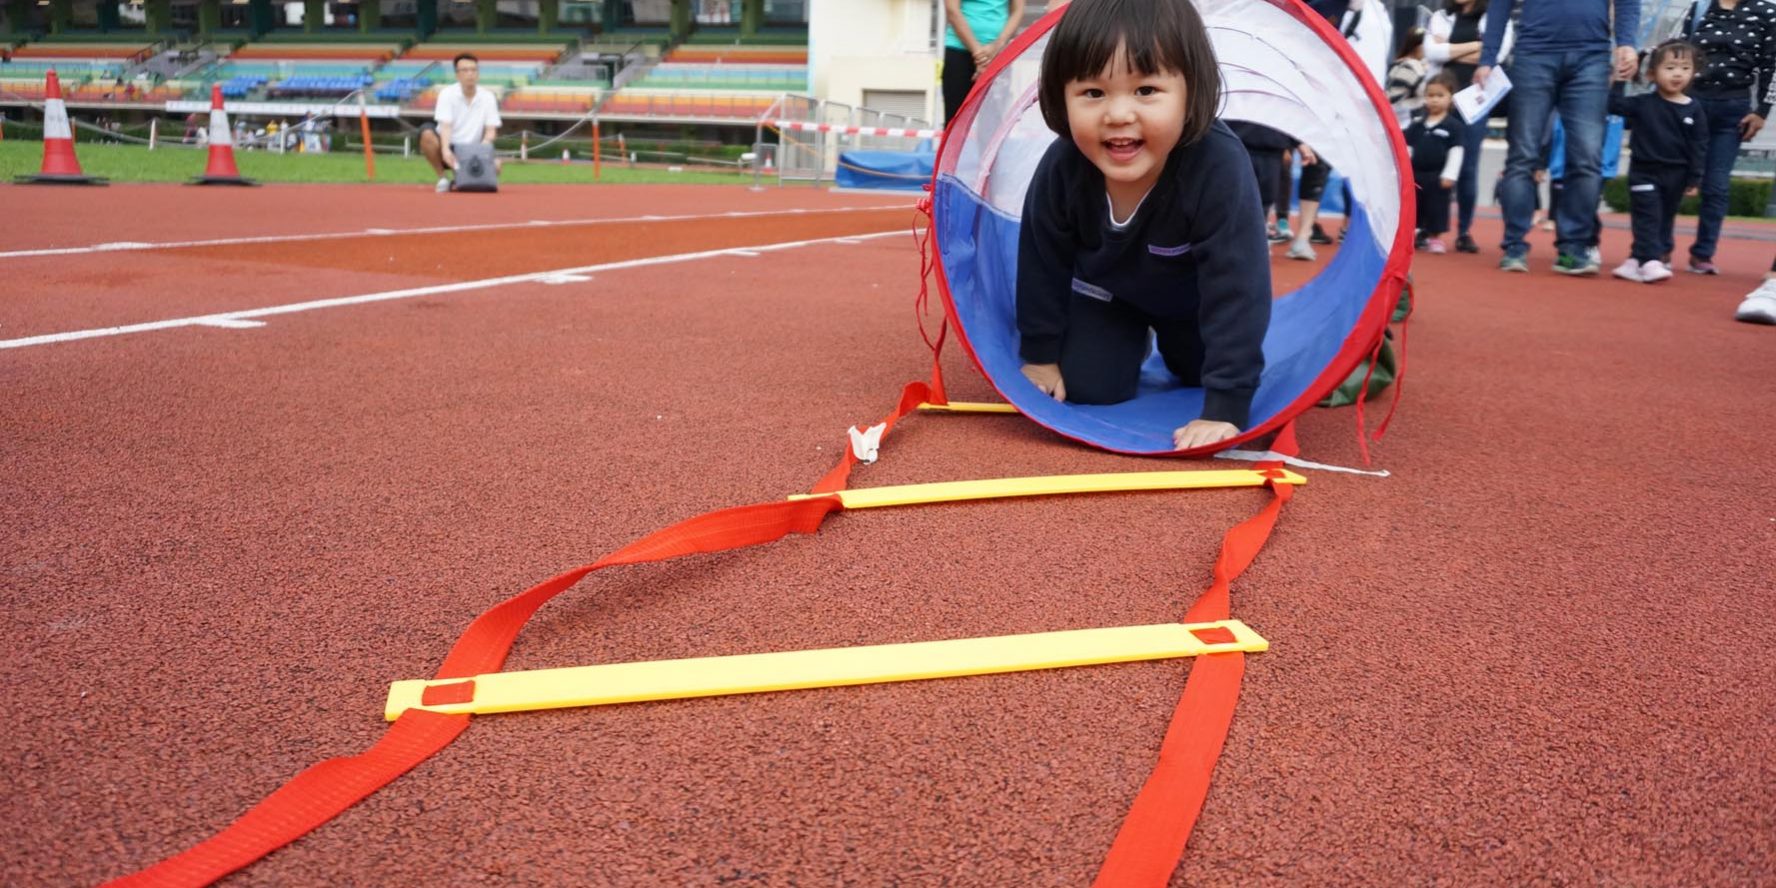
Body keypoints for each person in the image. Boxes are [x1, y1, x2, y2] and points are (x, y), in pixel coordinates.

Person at [1016, 0, 1271, 450]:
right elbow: (1042, 259)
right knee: (1088, 388)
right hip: (1106, 295)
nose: (1118, 114)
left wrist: (1227, 407)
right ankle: (1132, 340)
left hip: (1192, 304)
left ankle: (1172, 343)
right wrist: (1038, 355)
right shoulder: (1064, 165)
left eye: (1146, 90)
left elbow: (1238, 284)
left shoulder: (1217, 166)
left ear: (1192, 92)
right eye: (1093, 93)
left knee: (1195, 371)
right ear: (1061, 97)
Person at [1478, 0, 1641, 274]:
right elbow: (1500, 5)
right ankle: (1514, 246)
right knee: (1522, 156)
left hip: (1592, 56)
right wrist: (1487, 58)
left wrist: (1626, 42)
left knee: (1587, 157)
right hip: (1534, 53)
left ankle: (1573, 248)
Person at [1681, 0, 1776, 275]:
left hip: (1732, 108)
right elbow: (1677, 50)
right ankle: (1656, 247)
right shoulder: (1700, 7)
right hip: (1690, 103)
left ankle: (1703, 253)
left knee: (1716, 185)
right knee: (1672, 176)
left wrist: (1762, 111)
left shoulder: (1766, 12)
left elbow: (1773, 65)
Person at [1608, 41, 1708, 282]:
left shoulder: (1694, 109)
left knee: (1664, 217)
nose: (1677, 74)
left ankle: (1635, 260)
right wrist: (1619, 80)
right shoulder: (1643, 103)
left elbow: (1699, 145)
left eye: (1685, 68)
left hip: (1677, 174)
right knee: (1647, 214)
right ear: (1652, 73)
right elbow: (1614, 105)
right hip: (1644, 170)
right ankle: (1651, 260)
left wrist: (1695, 177)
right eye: (1670, 67)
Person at [1427, 0, 1515, 252]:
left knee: (1468, 167)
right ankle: (1429, 228)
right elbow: (1432, 52)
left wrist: (1450, 48)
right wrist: (1479, 46)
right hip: (1441, 101)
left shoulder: (1497, 17)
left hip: (1475, 102)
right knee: (1431, 164)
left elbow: (1495, 54)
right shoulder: (1440, 17)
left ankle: (1464, 230)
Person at [420, 53, 503, 193]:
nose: (470, 74)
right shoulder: (447, 94)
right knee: (426, 133)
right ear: (457, 75)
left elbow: (491, 131)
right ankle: (443, 178)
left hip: (472, 150)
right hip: (448, 146)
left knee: (497, 166)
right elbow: (445, 126)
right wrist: (445, 150)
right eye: (465, 70)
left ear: (478, 73)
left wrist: (482, 151)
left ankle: (462, 176)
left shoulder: (488, 97)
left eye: (473, 70)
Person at [1406, 72, 1469, 253]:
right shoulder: (1417, 124)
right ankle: (1416, 234)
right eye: (1430, 95)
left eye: (1440, 96)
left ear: (1450, 99)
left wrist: (1449, 175)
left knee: (1437, 207)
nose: (1434, 100)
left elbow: (1456, 151)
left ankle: (1436, 237)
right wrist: (1405, 172)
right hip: (1416, 174)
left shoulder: (1453, 126)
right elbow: (1407, 148)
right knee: (1415, 206)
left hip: (1438, 176)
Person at [942, 0, 1026, 124]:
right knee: (955, 120)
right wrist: (979, 53)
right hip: (959, 51)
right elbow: (952, 10)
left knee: (992, 124)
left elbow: (1018, 10)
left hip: (998, 54)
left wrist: (998, 45)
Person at [1389, 28, 1430, 128]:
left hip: (1391, 117)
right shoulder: (1413, 66)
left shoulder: (1397, 63)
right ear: (1420, 47)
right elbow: (1425, 94)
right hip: (1401, 121)